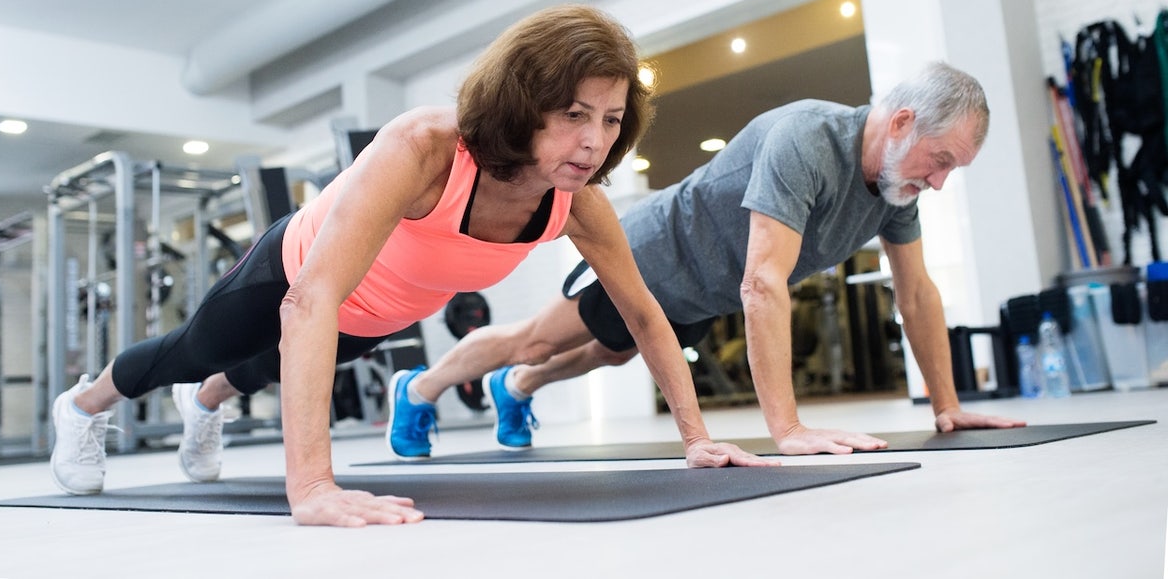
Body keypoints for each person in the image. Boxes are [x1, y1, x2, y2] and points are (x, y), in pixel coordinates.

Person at [48, 4, 773, 528]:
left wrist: (696, 437)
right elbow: (309, 301)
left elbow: (646, 313)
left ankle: (205, 404)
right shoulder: (426, 148)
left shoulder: (576, 201)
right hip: (296, 274)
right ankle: (83, 406)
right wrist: (311, 486)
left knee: (260, 370)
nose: (594, 139)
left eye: (611, 120)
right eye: (574, 114)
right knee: (195, 351)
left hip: (381, 311)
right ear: (524, 103)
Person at [389, 61, 1025, 459]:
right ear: (902, 122)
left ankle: (516, 389)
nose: (939, 181)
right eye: (939, 160)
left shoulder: (894, 186)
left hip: (702, 294)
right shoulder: (806, 138)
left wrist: (947, 404)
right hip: (650, 255)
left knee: (609, 353)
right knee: (535, 339)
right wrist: (789, 429)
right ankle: (418, 389)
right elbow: (763, 282)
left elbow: (915, 293)